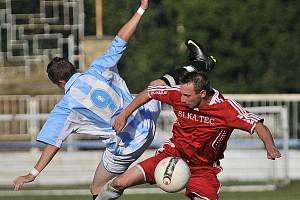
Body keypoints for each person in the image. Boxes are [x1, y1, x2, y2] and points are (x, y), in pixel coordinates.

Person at [13, 1, 157, 199]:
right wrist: (141, 9)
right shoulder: (98, 67)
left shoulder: (66, 107)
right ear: (73, 69)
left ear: (60, 82)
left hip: (127, 147)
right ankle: (194, 69)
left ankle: (141, 176)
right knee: (158, 84)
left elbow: (53, 144)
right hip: (146, 122)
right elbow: (121, 39)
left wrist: (32, 174)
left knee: (96, 190)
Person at [97, 71, 282, 200]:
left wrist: (270, 146)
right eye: (181, 94)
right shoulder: (179, 94)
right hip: (171, 155)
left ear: (202, 93)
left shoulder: (226, 109)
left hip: (203, 168)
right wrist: (124, 115)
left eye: (186, 96)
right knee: (119, 183)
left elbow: (257, 124)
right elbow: (150, 92)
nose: (181, 99)